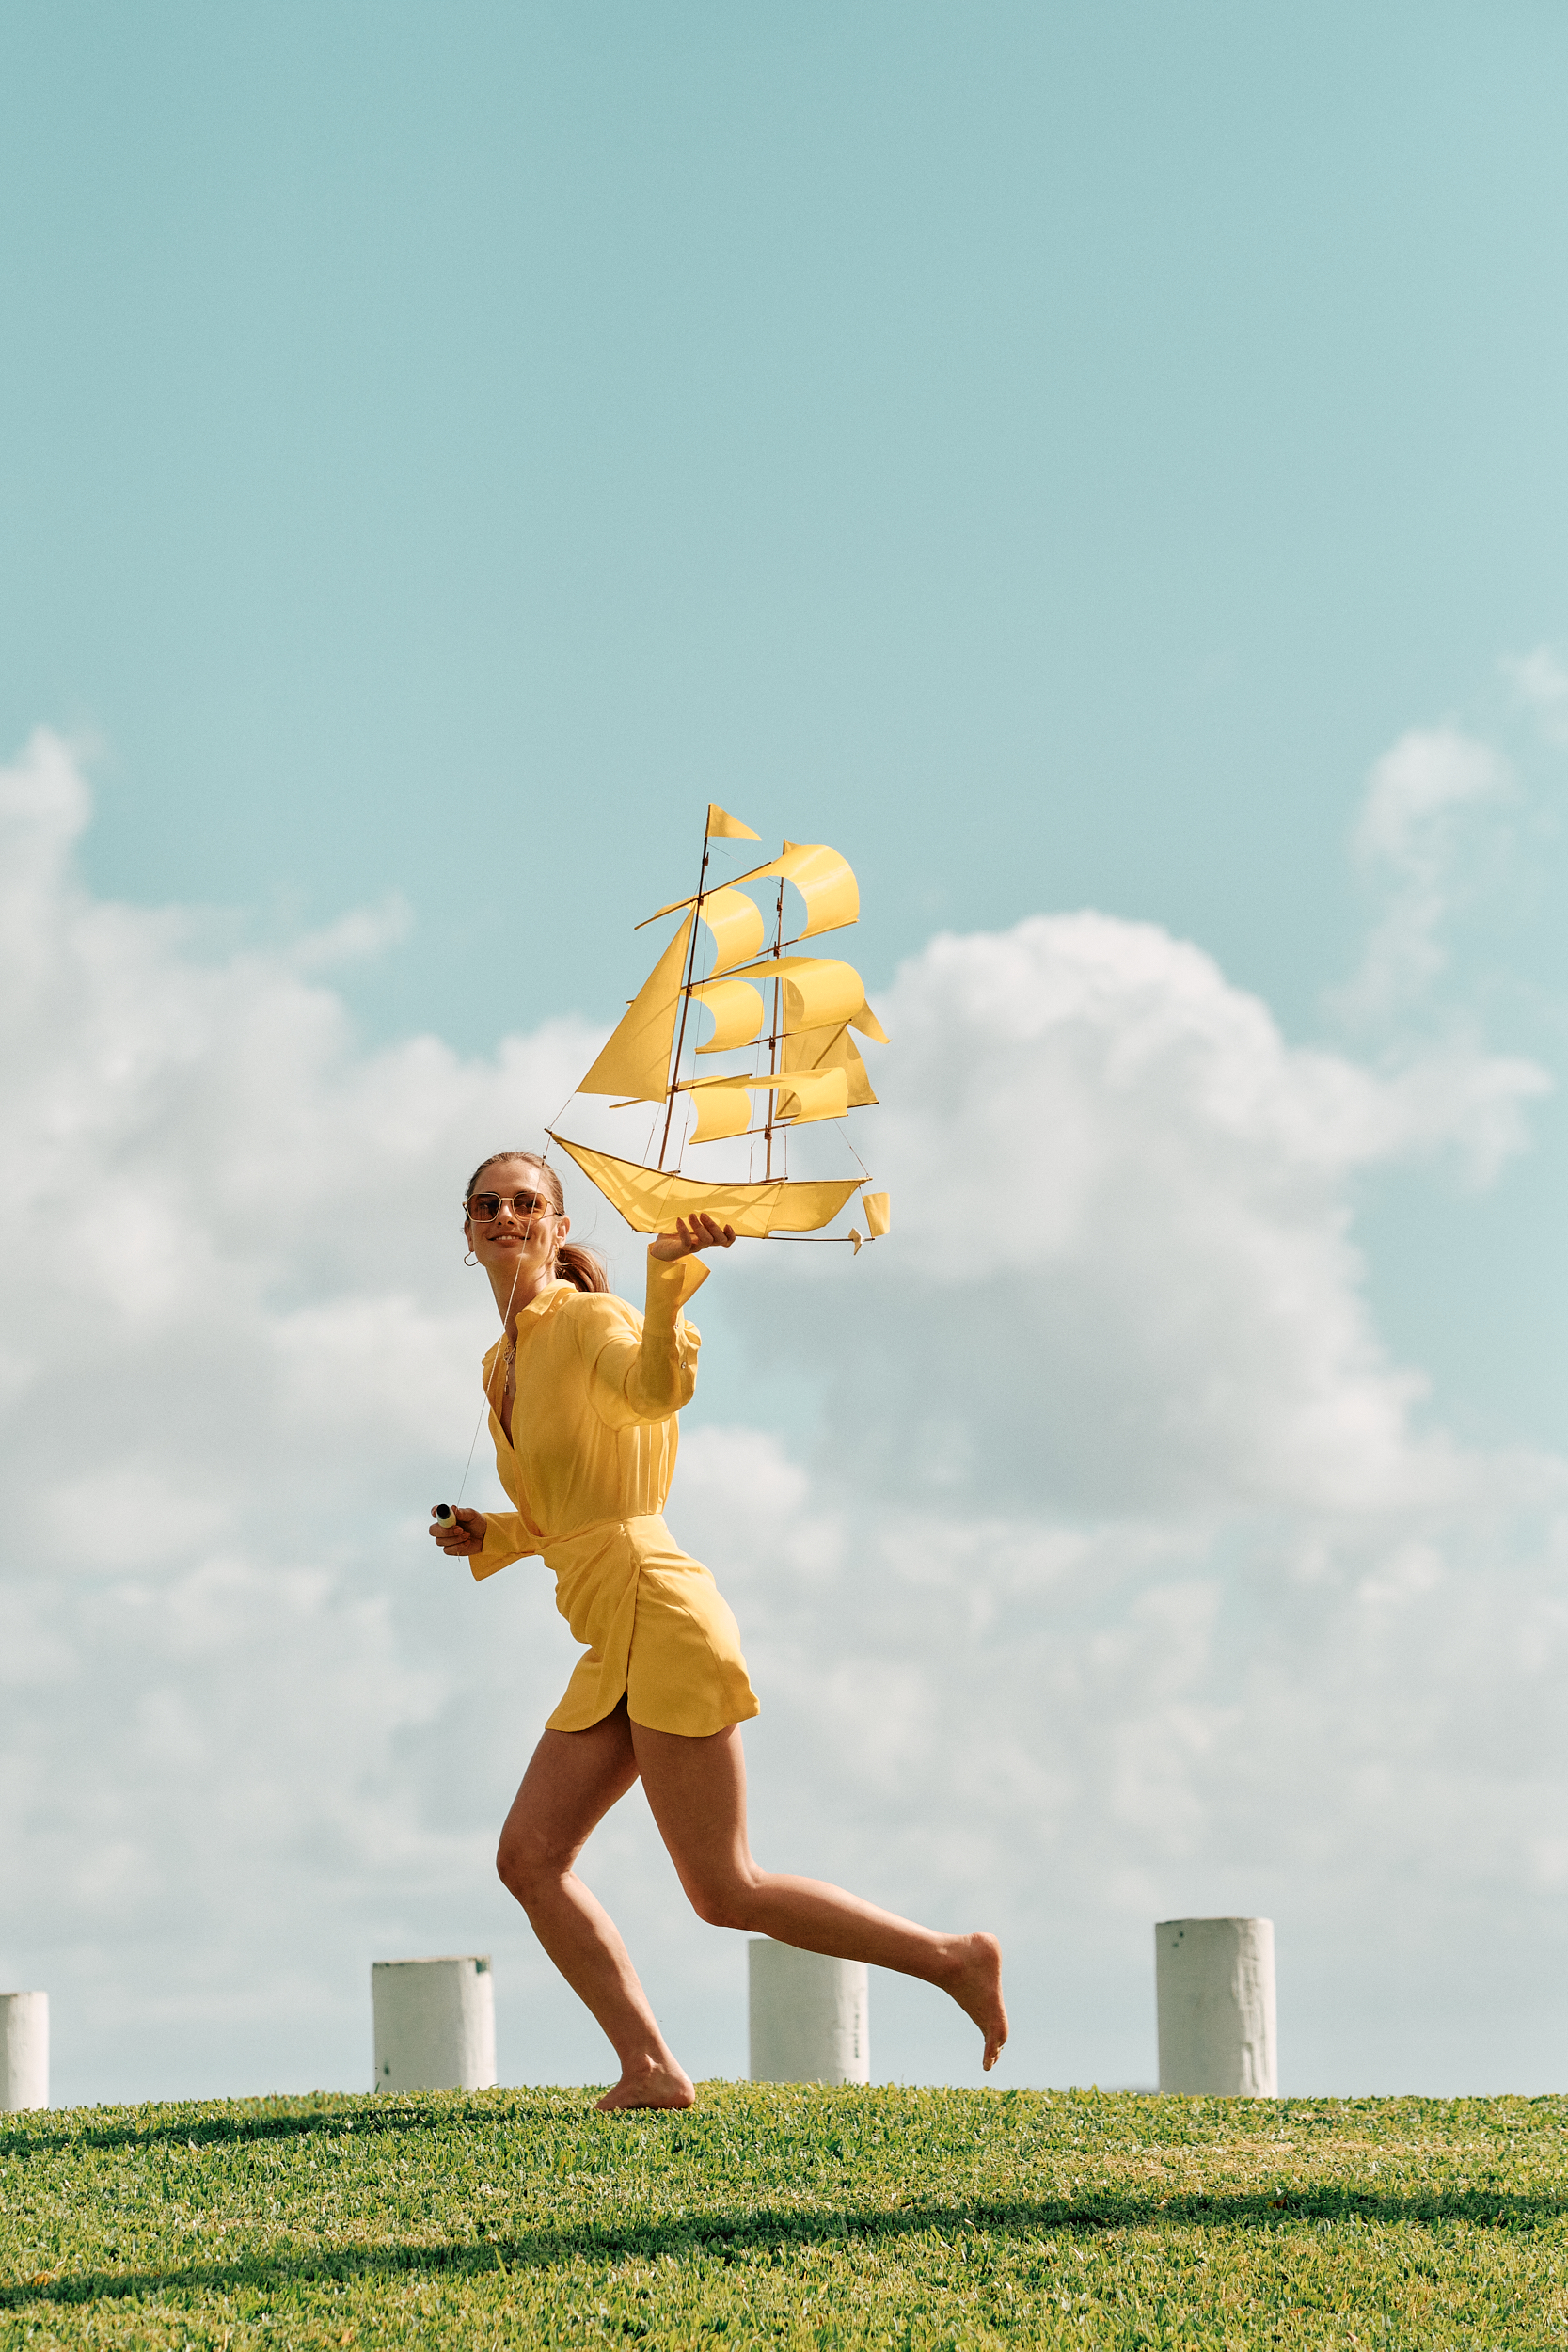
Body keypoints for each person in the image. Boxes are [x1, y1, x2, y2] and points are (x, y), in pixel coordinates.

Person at [429, 1149, 1007, 2109]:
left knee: (724, 1887)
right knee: (529, 1857)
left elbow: (654, 1390)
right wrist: (492, 1533)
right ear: (465, 1230)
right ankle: (649, 2067)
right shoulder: (501, 1359)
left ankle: (952, 1957)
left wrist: (665, 1283)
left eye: (525, 1202)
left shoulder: (590, 1320)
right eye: (486, 1203)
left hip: (659, 1609)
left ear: (557, 1225)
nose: (504, 1215)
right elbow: (571, 1509)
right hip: (607, 1624)